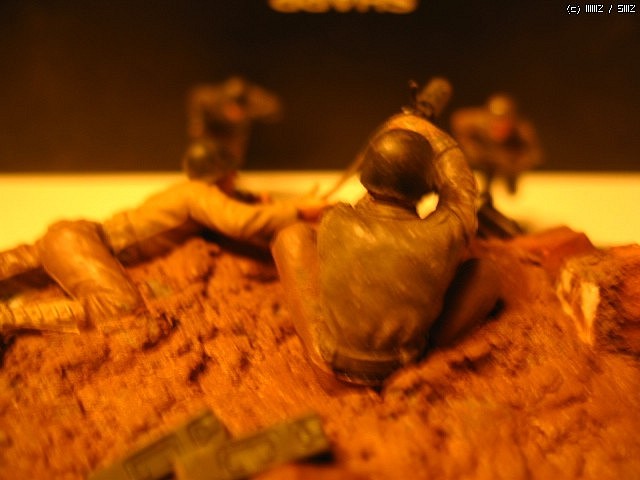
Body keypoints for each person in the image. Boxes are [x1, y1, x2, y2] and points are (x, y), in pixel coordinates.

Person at [0, 139, 326, 332]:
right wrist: (298, 210)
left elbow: (237, 206)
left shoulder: (186, 190)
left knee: (12, 271)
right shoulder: (198, 194)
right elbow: (240, 222)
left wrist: (281, 203)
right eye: (232, 174)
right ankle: (8, 319)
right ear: (224, 174)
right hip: (83, 244)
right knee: (118, 306)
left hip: (73, 237)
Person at [272, 128, 500, 387]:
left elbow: (368, 202)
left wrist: (400, 137)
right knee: (485, 271)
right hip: (401, 362)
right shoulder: (443, 235)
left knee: (292, 237)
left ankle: (319, 357)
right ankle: (433, 354)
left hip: (335, 354)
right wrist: (440, 142)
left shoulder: (336, 220)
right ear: (426, 186)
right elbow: (461, 195)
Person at [450, 93, 542, 197]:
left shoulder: (522, 131)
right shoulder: (474, 124)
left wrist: (514, 164)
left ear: (513, 120)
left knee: (509, 180)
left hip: (508, 161)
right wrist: (472, 150)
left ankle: (510, 180)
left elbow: (535, 155)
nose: (499, 124)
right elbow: (458, 120)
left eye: (504, 120)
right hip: (484, 156)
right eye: (495, 120)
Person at [187, 76, 282, 163]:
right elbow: (196, 97)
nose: (235, 114)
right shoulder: (210, 98)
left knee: (234, 151)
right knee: (205, 146)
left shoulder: (253, 99)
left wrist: (250, 112)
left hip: (235, 131)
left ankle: (231, 168)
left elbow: (275, 108)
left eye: (239, 112)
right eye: (232, 110)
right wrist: (197, 122)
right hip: (213, 126)